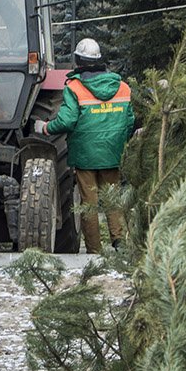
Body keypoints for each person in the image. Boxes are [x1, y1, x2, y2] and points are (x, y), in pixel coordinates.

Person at [34, 38, 134, 252]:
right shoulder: (123, 87)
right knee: (112, 200)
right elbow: (129, 121)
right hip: (113, 154)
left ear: (78, 60)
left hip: (85, 156)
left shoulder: (75, 87)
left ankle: (94, 250)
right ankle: (120, 242)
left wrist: (45, 128)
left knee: (89, 203)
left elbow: (67, 121)